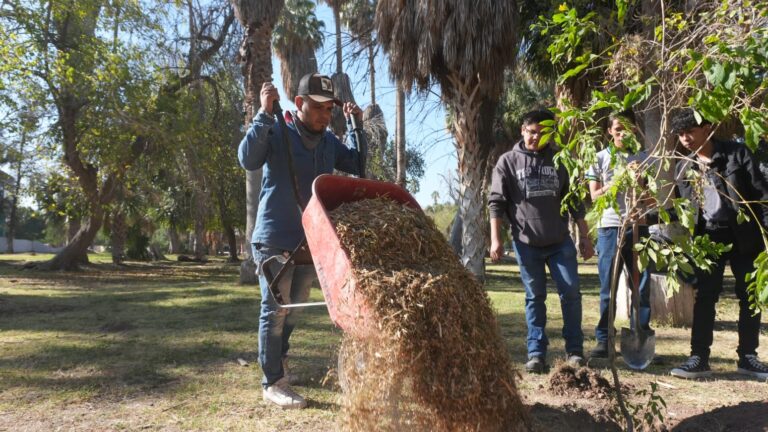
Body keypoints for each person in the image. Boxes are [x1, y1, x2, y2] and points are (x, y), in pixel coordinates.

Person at [238, 73, 365, 408]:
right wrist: (263, 114)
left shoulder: (327, 143)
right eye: (319, 107)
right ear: (299, 104)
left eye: (330, 109)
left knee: (293, 312)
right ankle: (273, 382)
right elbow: (247, 159)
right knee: (275, 309)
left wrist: (355, 125)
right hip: (275, 236)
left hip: (311, 242)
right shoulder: (278, 130)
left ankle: (279, 363)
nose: (325, 115)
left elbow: (357, 164)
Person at [489, 109, 595, 373]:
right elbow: (496, 203)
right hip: (526, 243)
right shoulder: (508, 162)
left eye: (543, 132)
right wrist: (495, 239)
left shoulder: (560, 160)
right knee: (534, 297)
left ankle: (574, 351)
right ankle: (536, 353)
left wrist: (585, 236)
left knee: (570, 293)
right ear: (523, 131)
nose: (536, 137)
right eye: (532, 132)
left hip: (560, 242)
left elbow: (575, 202)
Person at [668, 108, 768, 380]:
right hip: (707, 238)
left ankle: (748, 357)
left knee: (750, 295)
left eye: (690, 131)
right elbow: (684, 210)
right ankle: (699, 357)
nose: (685, 138)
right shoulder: (684, 167)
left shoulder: (737, 154)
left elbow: (761, 195)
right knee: (705, 297)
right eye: (680, 134)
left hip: (744, 235)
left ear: (707, 129)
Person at [586, 110, 653, 358]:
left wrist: (640, 184)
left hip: (639, 226)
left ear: (635, 129)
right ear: (609, 132)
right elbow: (594, 195)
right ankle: (604, 339)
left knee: (641, 287)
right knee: (608, 287)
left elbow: (654, 198)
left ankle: (641, 333)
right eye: (618, 129)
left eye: (628, 128)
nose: (623, 133)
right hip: (610, 227)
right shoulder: (600, 158)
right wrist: (619, 181)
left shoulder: (645, 159)